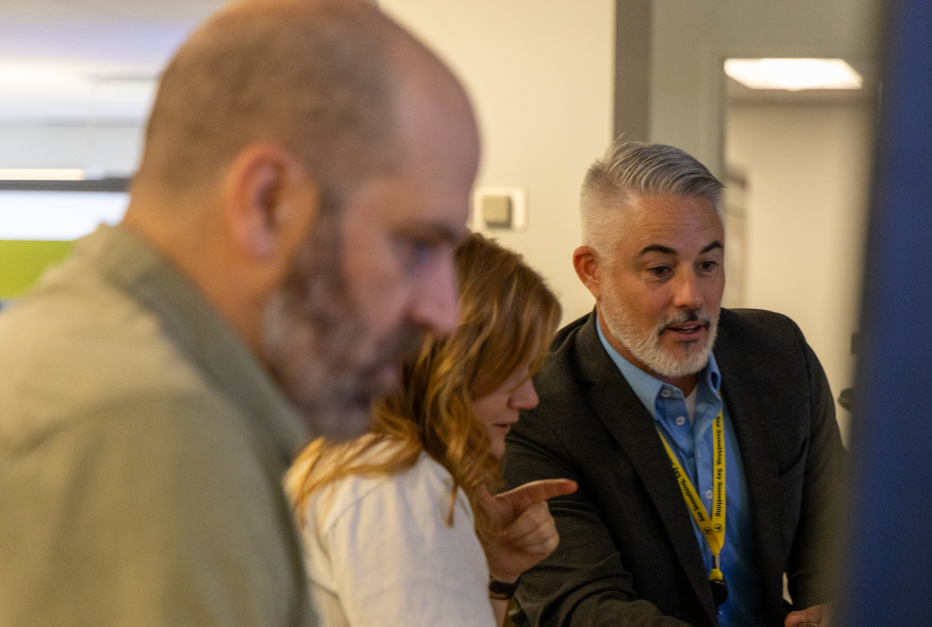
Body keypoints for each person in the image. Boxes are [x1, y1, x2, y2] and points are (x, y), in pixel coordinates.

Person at [0, 1, 479, 625]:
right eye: (415, 245)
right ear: (268, 203)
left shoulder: (96, 358)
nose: (443, 312)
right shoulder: (154, 427)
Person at [503, 142, 847, 627]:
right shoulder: (539, 408)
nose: (692, 297)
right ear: (591, 271)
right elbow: (580, 607)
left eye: (708, 265)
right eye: (660, 270)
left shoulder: (779, 357)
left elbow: (836, 538)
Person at [286, 234, 576, 627]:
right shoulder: (399, 483)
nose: (528, 398)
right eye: (512, 370)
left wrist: (497, 572)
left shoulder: (349, 456)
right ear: (451, 366)